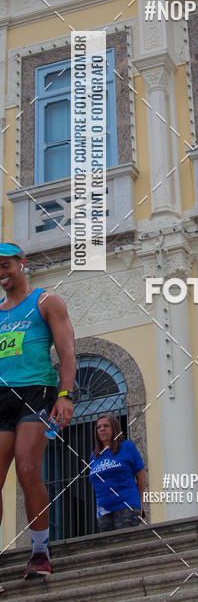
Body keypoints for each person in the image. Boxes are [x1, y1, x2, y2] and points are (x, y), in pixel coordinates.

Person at [0, 242, 75, 585]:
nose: (1, 273)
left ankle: (40, 550)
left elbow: (67, 351)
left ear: (21, 263)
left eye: (5, 265)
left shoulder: (46, 302)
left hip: (36, 393)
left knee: (28, 468)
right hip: (2, 396)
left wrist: (65, 395)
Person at [89, 413, 146, 532]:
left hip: (126, 505)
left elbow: (141, 478)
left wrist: (140, 503)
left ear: (114, 428)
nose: (101, 429)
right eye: (98, 427)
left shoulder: (127, 447)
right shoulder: (94, 456)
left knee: (124, 541)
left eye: (106, 426)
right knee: (108, 543)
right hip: (103, 510)